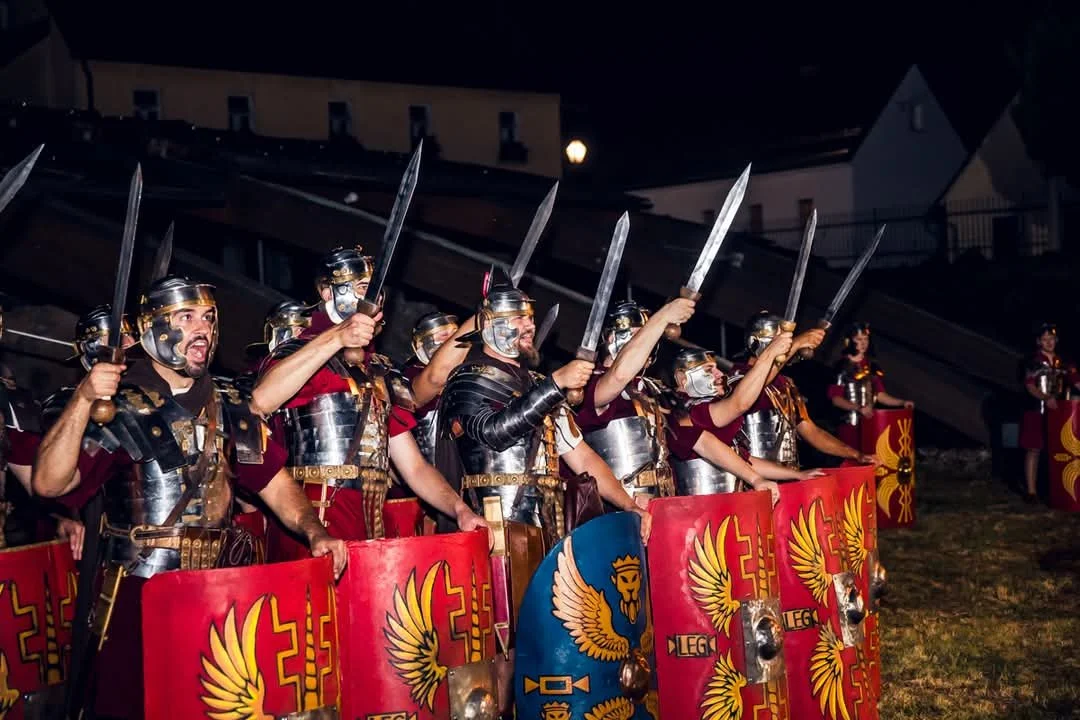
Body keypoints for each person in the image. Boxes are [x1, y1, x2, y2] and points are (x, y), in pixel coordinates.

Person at [31, 275, 347, 720]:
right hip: (141, 594)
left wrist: (315, 531)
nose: (202, 328)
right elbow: (49, 484)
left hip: (220, 594)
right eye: (186, 317)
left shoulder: (231, 403)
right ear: (151, 330)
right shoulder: (122, 405)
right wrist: (84, 398)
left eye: (208, 317)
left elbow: (275, 483)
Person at [435, 273, 652, 718]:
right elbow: (492, 433)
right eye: (516, 318)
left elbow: (582, 456)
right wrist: (552, 386)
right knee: (502, 650)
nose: (527, 327)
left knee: (545, 644)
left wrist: (629, 504)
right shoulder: (467, 379)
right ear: (488, 323)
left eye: (530, 318)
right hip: (497, 529)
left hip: (548, 527)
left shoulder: (534, 382)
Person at [250, 246, 487, 556]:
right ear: (326, 291)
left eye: (373, 287)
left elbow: (413, 467)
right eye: (361, 287)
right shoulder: (297, 354)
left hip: (371, 521)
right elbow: (261, 400)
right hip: (314, 518)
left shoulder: (378, 371)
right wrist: (335, 337)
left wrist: (459, 509)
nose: (372, 296)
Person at [572, 298, 696, 505]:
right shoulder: (588, 382)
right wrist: (663, 316)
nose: (649, 341)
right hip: (613, 506)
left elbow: (696, 438)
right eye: (641, 335)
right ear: (612, 338)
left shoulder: (655, 390)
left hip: (662, 502)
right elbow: (618, 377)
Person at [667, 346, 824, 503]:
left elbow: (743, 459)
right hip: (698, 512)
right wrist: (769, 355)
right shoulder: (681, 413)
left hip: (726, 505)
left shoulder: (700, 408)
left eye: (717, 368)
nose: (720, 374)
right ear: (683, 378)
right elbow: (708, 438)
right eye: (709, 370)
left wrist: (797, 474)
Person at [730, 311, 879, 468]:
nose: (785, 348)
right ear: (755, 343)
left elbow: (813, 433)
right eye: (778, 343)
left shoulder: (785, 384)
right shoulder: (739, 378)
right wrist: (798, 342)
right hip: (752, 478)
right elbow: (758, 386)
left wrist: (856, 454)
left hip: (788, 475)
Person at [828, 321, 913, 448]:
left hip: (869, 424)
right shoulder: (842, 366)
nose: (863, 343)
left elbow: (880, 395)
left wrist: (902, 403)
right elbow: (836, 399)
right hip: (848, 424)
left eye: (866, 339)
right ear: (850, 340)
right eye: (858, 339)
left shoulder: (871, 366)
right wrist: (858, 408)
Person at [1020, 322, 1080, 501]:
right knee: (1034, 448)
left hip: (1059, 413)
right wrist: (1045, 398)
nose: (1048, 342)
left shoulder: (1064, 363)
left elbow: (1076, 381)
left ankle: (1058, 489)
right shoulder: (1032, 362)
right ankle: (1031, 492)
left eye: (1051, 339)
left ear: (1056, 340)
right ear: (1039, 342)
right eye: (1044, 339)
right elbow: (1030, 386)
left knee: (1058, 450)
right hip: (1035, 411)